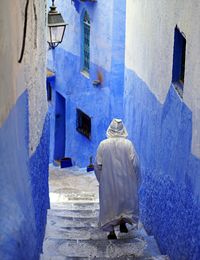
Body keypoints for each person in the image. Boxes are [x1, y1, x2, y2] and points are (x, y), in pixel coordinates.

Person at [94, 118, 140, 239]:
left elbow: (98, 165)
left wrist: (102, 180)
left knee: (110, 205)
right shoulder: (128, 144)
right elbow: (135, 164)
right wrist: (135, 179)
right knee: (124, 202)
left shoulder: (103, 145)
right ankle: (123, 223)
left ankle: (111, 232)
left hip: (108, 182)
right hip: (126, 181)